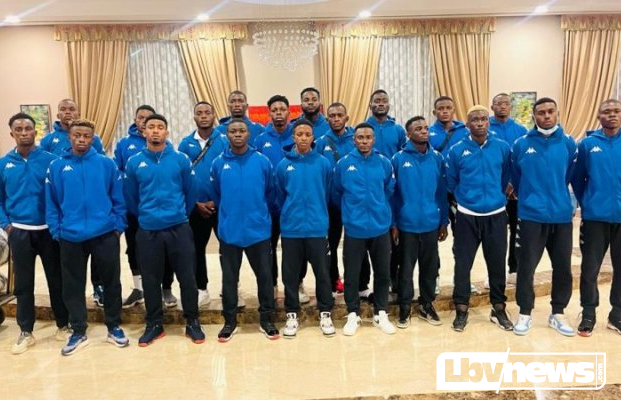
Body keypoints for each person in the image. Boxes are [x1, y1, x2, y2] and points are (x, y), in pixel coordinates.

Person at [46, 119, 128, 356]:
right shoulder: (57, 166)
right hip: (70, 236)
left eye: (86, 136)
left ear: (93, 138)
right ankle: (78, 330)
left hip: (104, 234)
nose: (81, 139)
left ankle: (113, 326)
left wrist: (117, 227)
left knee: (111, 282)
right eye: (77, 135)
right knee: (72, 285)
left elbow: (118, 198)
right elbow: (51, 202)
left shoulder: (106, 164)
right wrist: (57, 230)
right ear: (69, 137)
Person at [124, 114, 205, 346]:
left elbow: (190, 192)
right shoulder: (134, 162)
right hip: (148, 230)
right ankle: (154, 324)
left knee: (187, 277)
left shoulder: (180, 159)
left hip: (178, 228)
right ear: (144, 132)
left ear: (167, 132)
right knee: (151, 280)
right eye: (151, 127)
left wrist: (178, 214)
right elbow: (131, 197)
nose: (156, 131)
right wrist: (148, 216)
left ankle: (192, 322)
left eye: (160, 127)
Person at [1, 113, 69, 355]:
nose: (23, 133)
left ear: (35, 132)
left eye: (28, 128)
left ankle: (63, 325)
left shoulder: (52, 161)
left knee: (56, 280)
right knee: (23, 284)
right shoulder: (3, 163)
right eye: (18, 129)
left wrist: (57, 224)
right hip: (19, 232)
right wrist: (6, 224)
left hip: (48, 232)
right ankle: (26, 331)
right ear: (12, 133)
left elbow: (61, 195)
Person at [209, 118, 279, 342]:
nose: (237, 134)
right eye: (233, 131)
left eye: (241, 130)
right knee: (229, 279)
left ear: (249, 134)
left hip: (258, 231)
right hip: (230, 232)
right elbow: (217, 193)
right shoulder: (218, 163)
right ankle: (229, 321)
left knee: (265, 277)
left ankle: (267, 319)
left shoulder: (262, 161)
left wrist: (260, 214)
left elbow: (270, 193)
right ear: (227, 135)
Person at [511, 97, 577, 337]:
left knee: (562, 267)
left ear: (557, 113)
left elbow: (570, 174)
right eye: (541, 112)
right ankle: (525, 312)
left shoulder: (568, 143)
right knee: (526, 266)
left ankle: (557, 313)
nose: (546, 116)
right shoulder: (521, 144)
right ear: (534, 116)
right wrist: (531, 199)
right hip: (531, 215)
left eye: (550, 111)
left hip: (561, 216)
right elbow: (516, 178)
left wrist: (561, 200)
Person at [446, 106, 513, 332]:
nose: (480, 123)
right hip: (467, 216)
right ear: (467, 124)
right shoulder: (457, 150)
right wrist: (465, 200)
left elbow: (506, 176)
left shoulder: (502, 148)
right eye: (475, 119)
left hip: (496, 214)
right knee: (462, 265)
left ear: (489, 122)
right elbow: (452, 182)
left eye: (484, 119)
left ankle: (498, 308)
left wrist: (497, 197)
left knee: (497, 263)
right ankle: (461, 309)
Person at [332, 122, 396, 336]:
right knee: (352, 274)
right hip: (354, 228)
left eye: (368, 137)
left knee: (383, 272)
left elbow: (389, 189)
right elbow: (336, 193)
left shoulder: (384, 162)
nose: (364, 141)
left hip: (380, 227)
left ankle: (381, 313)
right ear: (354, 140)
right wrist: (350, 213)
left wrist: (378, 207)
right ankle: (353, 313)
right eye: (360, 137)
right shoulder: (344, 164)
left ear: (374, 139)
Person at [41, 98, 106, 306]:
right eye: (63, 109)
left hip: (93, 211)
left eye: (71, 109)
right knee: (68, 264)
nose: (67, 112)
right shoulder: (48, 140)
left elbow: (101, 168)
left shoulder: (94, 140)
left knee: (97, 255)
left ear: (78, 112)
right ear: (58, 114)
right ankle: (70, 302)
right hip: (66, 210)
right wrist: (55, 226)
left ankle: (98, 287)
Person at [274, 119, 335, 338]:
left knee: (323, 273)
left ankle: (325, 313)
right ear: (293, 137)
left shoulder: (323, 163)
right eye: (299, 134)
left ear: (313, 137)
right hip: (291, 229)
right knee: (290, 276)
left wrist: (318, 215)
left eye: (307, 134)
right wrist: (291, 213)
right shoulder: (283, 165)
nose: (303, 138)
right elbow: (280, 195)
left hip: (317, 229)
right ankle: (292, 314)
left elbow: (327, 192)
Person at [391, 116, 448, 329]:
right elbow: (393, 195)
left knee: (429, 268)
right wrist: (394, 223)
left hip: (431, 223)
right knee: (406, 269)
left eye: (425, 128)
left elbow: (442, 192)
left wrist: (443, 221)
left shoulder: (437, 158)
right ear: (408, 134)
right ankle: (405, 306)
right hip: (407, 224)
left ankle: (426, 304)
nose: (424, 131)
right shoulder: (398, 159)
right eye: (418, 129)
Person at [572, 99, 621, 337]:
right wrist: (588, 203)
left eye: (617, 111)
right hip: (594, 218)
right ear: (598, 116)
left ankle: (617, 314)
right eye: (607, 112)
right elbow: (577, 178)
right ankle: (588, 313)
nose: (612, 115)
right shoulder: (587, 144)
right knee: (590, 268)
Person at [178, 101, 229, 308]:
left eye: (207, 112)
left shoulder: (224, 140)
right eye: (199, 113)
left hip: (221, 205)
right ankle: (201, 289)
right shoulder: (185, 143)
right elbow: (181, 178)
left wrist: (217, 201)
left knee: (228, 248)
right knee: (196, 249)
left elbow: (230, 172)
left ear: (214, 115)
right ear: (194, 117)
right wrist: (196, 203)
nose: (204, 116)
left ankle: (230, 288)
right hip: (196, 207)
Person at [365, 89, 407, 296]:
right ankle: (374, 282)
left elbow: (403, 154)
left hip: (394, 189)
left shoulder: (398, 130)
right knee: (374, 239)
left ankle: (395, 279)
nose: (380, 104)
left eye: (384, 101)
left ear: (389, 104)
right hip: (371, 190)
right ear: (370, 104)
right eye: (377, 101)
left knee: (396, 236)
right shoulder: (364, 128)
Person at [114, 104, 155, 308]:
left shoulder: (162, 143)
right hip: (131, 207)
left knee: (158, 248)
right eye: (140, 117)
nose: (144, 121)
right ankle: (138, 288)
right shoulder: (124, 144)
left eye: (148, 118)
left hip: (154, 207)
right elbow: (117, 172)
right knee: (133, 247)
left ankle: (161, 288)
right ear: (135, 119)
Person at [429, 95, 471, 294]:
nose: (445, 111)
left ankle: (461, 278)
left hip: (458, 193)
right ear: (434, 112)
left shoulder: (465, 132)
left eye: (448, 108)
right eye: (441, 108)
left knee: (462, 239)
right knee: (433, 237)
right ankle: (434, 278)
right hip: (436, 192)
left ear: (454, 110)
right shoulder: (428, 132)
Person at [254, 95, 294, 299]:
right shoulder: (261, 139)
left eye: (282, 109)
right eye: (275, 110)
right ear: (269, 113)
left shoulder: (297, 136)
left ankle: (296, 284)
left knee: (293, 249)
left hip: (292, 205)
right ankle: (272, 285)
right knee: (267, 248)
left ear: (289, 112)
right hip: (268, 206)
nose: (279, 113)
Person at [315, 102, 354, 294]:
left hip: (355, 203)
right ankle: (333, 280)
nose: (336, 119)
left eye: (340, 115)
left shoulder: (356, 138)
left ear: (346, 117)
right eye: (332, 116)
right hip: (331, 204)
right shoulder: (321, 142)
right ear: (327, 119)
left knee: (356, 244)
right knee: (331, 244)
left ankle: (359, 283)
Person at [490, 93, 528, 285]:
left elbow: (523, 159)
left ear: (510, 107)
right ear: (492, 107)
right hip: (493, 190)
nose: (502, 106)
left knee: (516, 231)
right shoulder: (486, 127)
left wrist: (513, 182)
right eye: (498, 103)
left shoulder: (520, 129)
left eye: (506, 103)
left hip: (515, 192)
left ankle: (514, 268)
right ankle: (494, 272)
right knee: (495, 235)